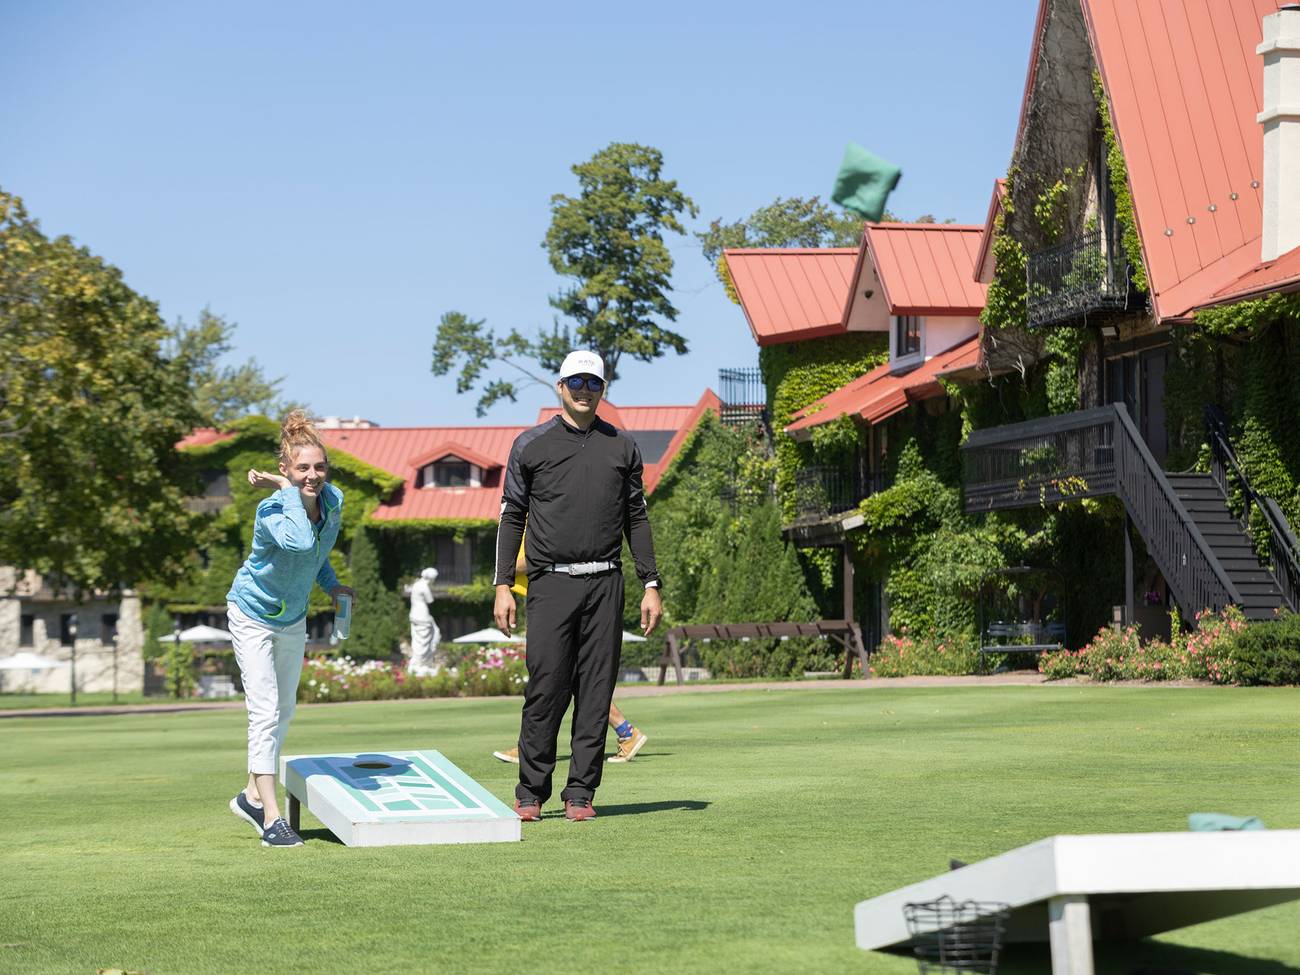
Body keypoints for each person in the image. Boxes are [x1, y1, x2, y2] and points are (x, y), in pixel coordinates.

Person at [494, 350, 662, 823]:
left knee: (595, 690)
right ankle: (530, 793)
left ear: (603, 389)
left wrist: (651, 583)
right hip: (550, 584)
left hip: (607, 581)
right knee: (545, 687)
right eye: (576, 382)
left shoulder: (622, 446)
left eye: (593, 383)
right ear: (560, 386)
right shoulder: (531, 445)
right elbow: (511, 516)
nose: (584, 391)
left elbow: (637, 518)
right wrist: (503, 583)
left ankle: (581, 793)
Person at [225, 411, 354, 848]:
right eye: (301, 469)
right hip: (251, 614)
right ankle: (272, 818)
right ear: (285, 469)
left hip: (292, 616)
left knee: (285, 710)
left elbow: (315, 554)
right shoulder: (271, 510)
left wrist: (332, 585)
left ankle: (249, 797)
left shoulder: (333, 502)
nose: (312, 475)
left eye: (319, 467)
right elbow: (298, 541)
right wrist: (285, 491)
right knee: (264, 712)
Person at [492, 547, 648, 764]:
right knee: (573, 679)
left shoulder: (532, 526)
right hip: (548, 595)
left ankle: (530, 747)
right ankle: (626, 732)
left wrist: (505, 568)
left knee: (553, 679)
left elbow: (540, 554)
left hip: (557, 597)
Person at [408, 567, 441, 675]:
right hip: (422, 614)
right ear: (432, 578)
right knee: (425, 639)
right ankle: (422, 662)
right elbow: (430, 600)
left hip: (414, 613)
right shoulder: (424, 587)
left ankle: (419, 662)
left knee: (418, 639)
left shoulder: (416, 584)